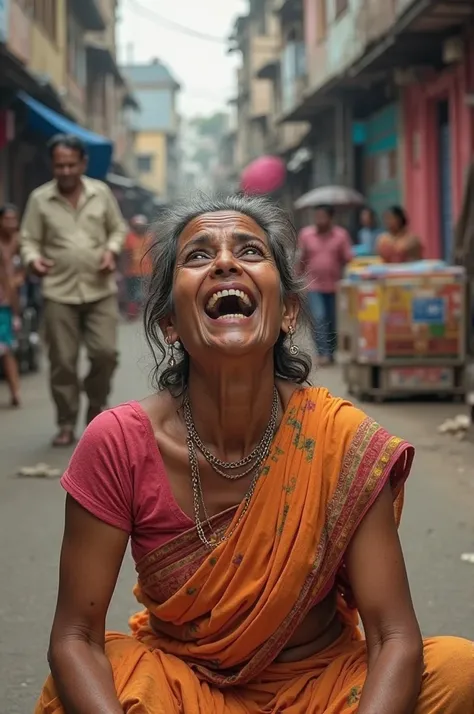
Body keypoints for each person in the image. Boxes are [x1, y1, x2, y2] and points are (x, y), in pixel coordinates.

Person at [35, 194, 473, 714]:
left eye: (249, 250)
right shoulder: (118, 442)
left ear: (287, 312)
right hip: (181, 686)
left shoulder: (339, 438)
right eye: (198, 256)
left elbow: (393, 635)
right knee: (92, 691)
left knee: (458, 670)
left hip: (324, 687)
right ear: (169, 324)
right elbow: (76, 638)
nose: (224, 262)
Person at [20, 133, 126, 446]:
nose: (65, 171)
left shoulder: (101, 193)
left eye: (70, 164)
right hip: (58, 291)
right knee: (63, 361)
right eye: (59, 166)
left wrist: (111, 249)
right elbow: (29, 239)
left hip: (99, 289)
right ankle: (66, 421)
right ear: (52, 166)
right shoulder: (40, 199)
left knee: (105, 353)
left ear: (83, 163)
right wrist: (32, 259)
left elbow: (117, 228)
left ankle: (95, 405)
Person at [298, 204, 352, 365]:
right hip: (314, 285)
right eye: (317, 216)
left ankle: (331, 351)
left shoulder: (341, 235)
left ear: (330, 218)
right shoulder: (306, 234)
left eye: (323, 216)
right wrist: (295, 280)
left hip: (335, 286)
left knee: (333, 321)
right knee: (319, 318)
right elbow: (301, 259)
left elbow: (348, 258)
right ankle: (323, 353)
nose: (319, 220)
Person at [0, 204, 22, 406]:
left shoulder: (19, 241)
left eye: (14, 219)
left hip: (9, 303)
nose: (11, 223)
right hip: (4, 301)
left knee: (6, 348)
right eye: (7, 219)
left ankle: (15, 392)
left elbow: (24, 269)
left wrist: (19, 278)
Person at [122, 214, 152, 318]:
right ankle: (132, 313)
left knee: (148, 293)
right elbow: (125, 254)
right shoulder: (129, 238)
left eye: (141, 225)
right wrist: (125, 269)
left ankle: (149, 314)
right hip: (133, 271)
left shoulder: (150, 237)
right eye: (137, 226)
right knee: (132, 294)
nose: (140, 228)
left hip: (148, 270)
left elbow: (155, 252)